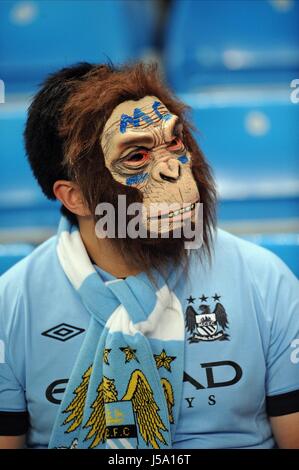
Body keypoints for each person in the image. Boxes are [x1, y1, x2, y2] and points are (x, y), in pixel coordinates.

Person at [0, 62, 298, 449]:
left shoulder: (266, 281)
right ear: (74, 196)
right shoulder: (12, 303)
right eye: (137, 157)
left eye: (174, 142)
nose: (174, 169)